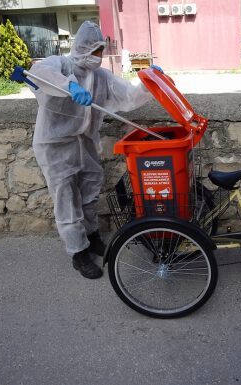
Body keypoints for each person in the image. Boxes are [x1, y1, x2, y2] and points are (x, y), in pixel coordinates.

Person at [30, 21, 155, 279]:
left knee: (89, 193)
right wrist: (69, 87)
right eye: (96, 50)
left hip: (84, 143)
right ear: (82, 48)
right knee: (66, 199)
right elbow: (38, 72)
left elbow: (129, 96)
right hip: (55, 145)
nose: (99, 56)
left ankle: (92, 236)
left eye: (101, 50)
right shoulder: (61, 65)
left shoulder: (101, 77)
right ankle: (78, 253)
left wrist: (149, 82)